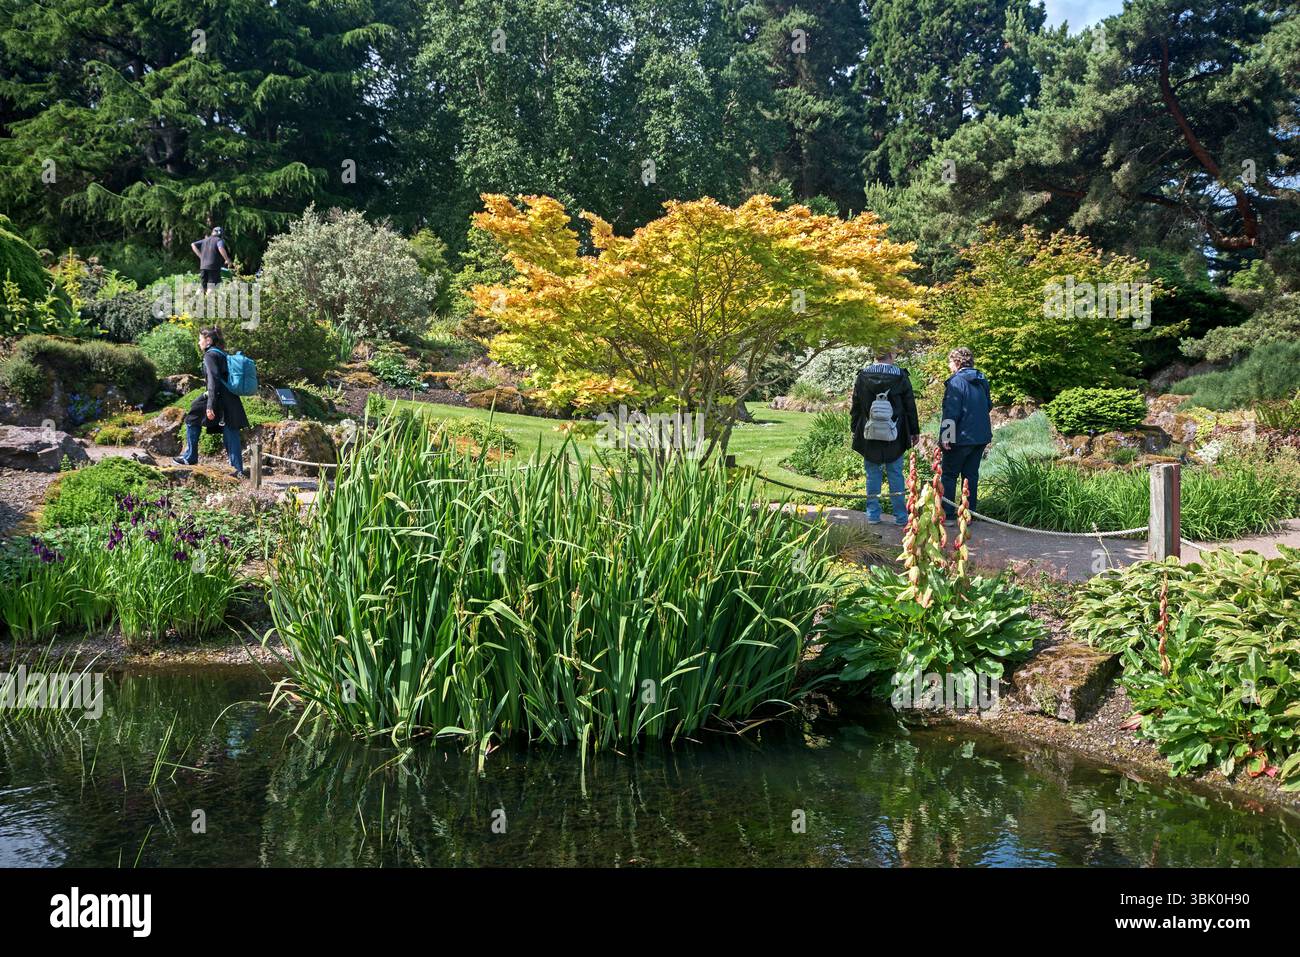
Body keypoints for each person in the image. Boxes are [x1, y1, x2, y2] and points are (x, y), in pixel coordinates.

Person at [851, 350, 920, 525]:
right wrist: (914, 431)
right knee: (895, 473)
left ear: (875, 355)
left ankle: (873, 515)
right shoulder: (901, 376)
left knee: (872, 473)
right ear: (891, 355)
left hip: (869, 431)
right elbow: (910, 406)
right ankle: (901, 517)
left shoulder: (863, 376)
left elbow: (856, 405)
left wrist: (854, 429)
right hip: (895, 432)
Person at [173, 327, 249, 478]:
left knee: (192, 418)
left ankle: (190, 457)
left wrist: (210, 405)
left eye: (200, 339)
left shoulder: (210, 355)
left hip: (218, 397)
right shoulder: (221, 353)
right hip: (231, 399)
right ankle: (238, 471)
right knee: (231, 431)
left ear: (208, 340)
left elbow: (213, 381)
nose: (198, 342)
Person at [939, 346, 993, 520]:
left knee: (949, 475)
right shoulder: (982, 380)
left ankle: (947, 515)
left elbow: (951, 411)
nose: (949, 366)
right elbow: (988, 406)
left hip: (961, 438)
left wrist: (946, 437)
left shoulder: (956, 382)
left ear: (957, 362)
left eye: (949, 362)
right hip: (980, 436)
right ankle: (968, 515)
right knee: (970, 476)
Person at [191, 226, 232, 292]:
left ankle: (197, 301)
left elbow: (193, 244)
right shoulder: (219, 240)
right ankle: (208, 301)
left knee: (202, 286)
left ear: (213, 232)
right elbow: (220, 248)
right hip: (213, 266)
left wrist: (200, 256)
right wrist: (227, 259)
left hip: (203, 266)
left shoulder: (205, 240)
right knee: (211, 287)